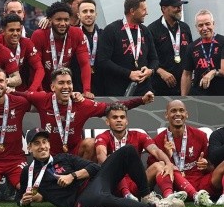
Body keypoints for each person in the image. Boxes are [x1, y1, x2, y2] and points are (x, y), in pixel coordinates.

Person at [16, 128, 184, 207]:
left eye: (44, 141)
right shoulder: (29, 172)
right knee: (98, 199)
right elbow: (22, 198)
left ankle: (147, 196)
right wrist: (24, 201)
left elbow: (96, 167)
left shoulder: (63, 158)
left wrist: (72, 176)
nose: (42, 146)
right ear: (29, 148)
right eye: (37, 143)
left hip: (96, 182)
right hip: (80, 199)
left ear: (49, 144)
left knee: (128, 150)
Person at [12, 67, 153, 160]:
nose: (66, 87)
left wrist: (141, 100)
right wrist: (0, 89)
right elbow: (17, 94)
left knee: (91, 143)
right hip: (49, 156)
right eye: (61, 83)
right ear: (52, 87)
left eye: (69, 83)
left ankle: (83, 182)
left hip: (74, 155)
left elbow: (113, 108)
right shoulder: (43, 98)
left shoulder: (82, 104)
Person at [95, 103, 184, 201]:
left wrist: (168, 163)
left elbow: (156, 151)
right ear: (107, 121)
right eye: (115, 117)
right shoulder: (103, 137)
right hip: (115, 185)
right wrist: (115, 163)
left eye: (122, 117)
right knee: (111, 161)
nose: (119, 120)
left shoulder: (138, 135)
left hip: (137, 183)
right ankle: (126, 194)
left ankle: (168, 196)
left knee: (160, 164)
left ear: (127, 121)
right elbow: (101, 155)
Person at [148, 100, 224, 206]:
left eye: (181, 110)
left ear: (186, 114)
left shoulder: (200, 136)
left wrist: (206, 165)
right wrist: (167, 156)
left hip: (202, 184)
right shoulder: (158, 140)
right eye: (173, 111)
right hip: (178, 188)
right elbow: (155, 170)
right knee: (167, 167)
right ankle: (188, 196)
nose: (178, 114)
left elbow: (211, 167)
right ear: (166, 115)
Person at [97, 0, 158, 96]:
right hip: (118, 92)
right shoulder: (111, 30)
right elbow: (103, 61)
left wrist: (150, 71)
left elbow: (154, 59)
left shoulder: (145, 31)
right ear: (132, 11)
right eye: (143, 10)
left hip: (144, 91)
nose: (146, 13)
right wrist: (129, 74)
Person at [31, 1, 92, 97]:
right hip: (43, 88)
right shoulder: (39, 35)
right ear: (50, 20)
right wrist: (39, 90)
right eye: (58, 19)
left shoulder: (77, 33)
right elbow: (36, 67)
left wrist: (87, 90)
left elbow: (84, 64)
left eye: (66, 20)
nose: (63, 23)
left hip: (65, 88)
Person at [148, 0, 193, 96]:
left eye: (180, 5)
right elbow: (146, 59)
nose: (179, 8)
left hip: (185, 87)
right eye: (175, 6)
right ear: (164, 9)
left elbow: (191, 54)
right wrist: (160, 71)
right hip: (161, 88)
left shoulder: (185, 28)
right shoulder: (151, 30)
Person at [181, 9, 224, 96]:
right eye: (200, 25)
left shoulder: (222, 42)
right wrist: (183, 99)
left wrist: (213, 72)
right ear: (196, 27)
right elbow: (187, 74)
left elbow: (223, 70)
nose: (204, 28)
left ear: (213, 24)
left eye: (207, 24)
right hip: (200, 95)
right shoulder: (192, 47)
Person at [72, 0, 104, 95]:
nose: (88, 14)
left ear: (96, 14)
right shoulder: (72, 34)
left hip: (101, 86)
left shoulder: (104, 35)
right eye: (85, 11)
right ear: (78, 15)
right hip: (77, 85)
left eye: (91, 11)